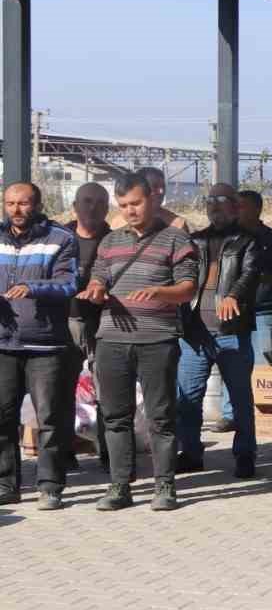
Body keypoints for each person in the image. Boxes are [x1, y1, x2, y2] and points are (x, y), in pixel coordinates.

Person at [78, 172, 199, 512]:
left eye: (136, 203)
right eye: (124, 205)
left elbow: (188, 288)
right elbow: (98, 278)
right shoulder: (110, 241)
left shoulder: (176, 240)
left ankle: (165, 486)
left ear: (152, 199)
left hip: (157, 339)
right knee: (115, 416)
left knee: (161, 417)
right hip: (111, 340)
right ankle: (119, 486)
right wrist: (96, 291)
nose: (130, 210)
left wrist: (161, 291)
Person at [173, 184, 262, 479]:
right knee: (188, 397)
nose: (215, 207)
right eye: (210, 201)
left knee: (239, 398)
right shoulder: (195, 241)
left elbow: (250, 274)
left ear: (236, 207)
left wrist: (234, 296)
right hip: (195, 333)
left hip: (231, 330)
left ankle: (245, 453)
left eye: (222, 201)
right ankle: (191, 452)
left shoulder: (248, 241)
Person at [0, 182, 79, 509]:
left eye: (23, 203)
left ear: (37, 204)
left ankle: (50, 486)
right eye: (10, 203)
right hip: (3, 344)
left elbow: (70, 283)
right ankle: (6, 484)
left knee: (50, 418)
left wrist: (32, 288)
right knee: (2, 417)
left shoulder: (60, 239)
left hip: (45, 345)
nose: (16, 210)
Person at [64, 183, 112, 469]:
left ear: (107, 208)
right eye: (86, 201)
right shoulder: (59, 238)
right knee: (61, 390)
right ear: (75, 205)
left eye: (98, 202)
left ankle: (110, 454)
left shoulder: (116, 240)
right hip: (65, 323)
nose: (91, 207)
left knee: (108, 391)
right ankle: (64, 452)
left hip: (104, 323)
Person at [237, 190, 272, 368]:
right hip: (234, 313)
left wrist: (265, 279)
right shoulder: (228, 238)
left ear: (257, 209)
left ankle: (262, 397)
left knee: (263, 366)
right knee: (234, 366)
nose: (236, 210)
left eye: (241, 206)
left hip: (263, 312)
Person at [106, 166, 188, 232]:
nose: (161, 191)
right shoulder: (118, 223)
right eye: (155, 186)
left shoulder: (177, 225)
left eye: (163, 186)